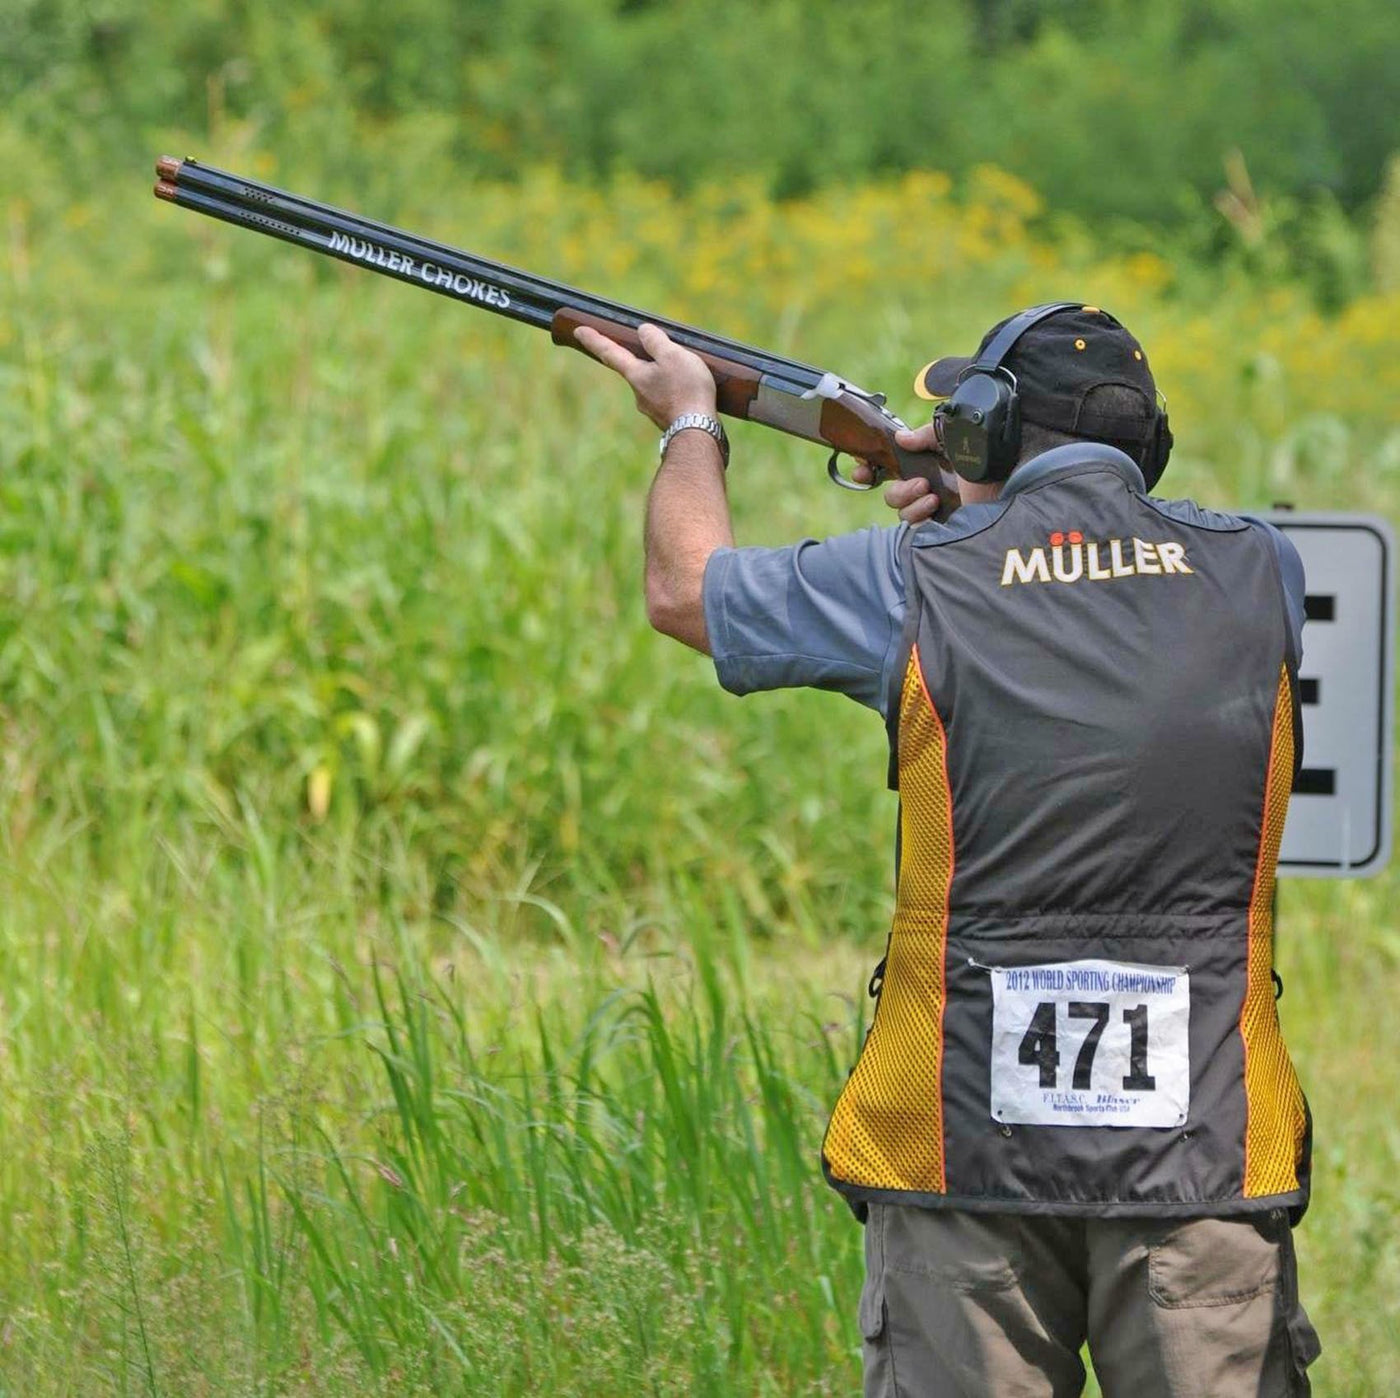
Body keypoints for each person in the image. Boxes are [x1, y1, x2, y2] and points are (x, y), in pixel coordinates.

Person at [575, 304, 1321, 1396]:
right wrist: (985, 503)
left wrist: (690, 420)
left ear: (978, 430)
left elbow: (685, 590)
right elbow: (1099, 580)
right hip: (1202, 1150)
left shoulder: (914, 578)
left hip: (955, 1147)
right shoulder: (1265, 571)